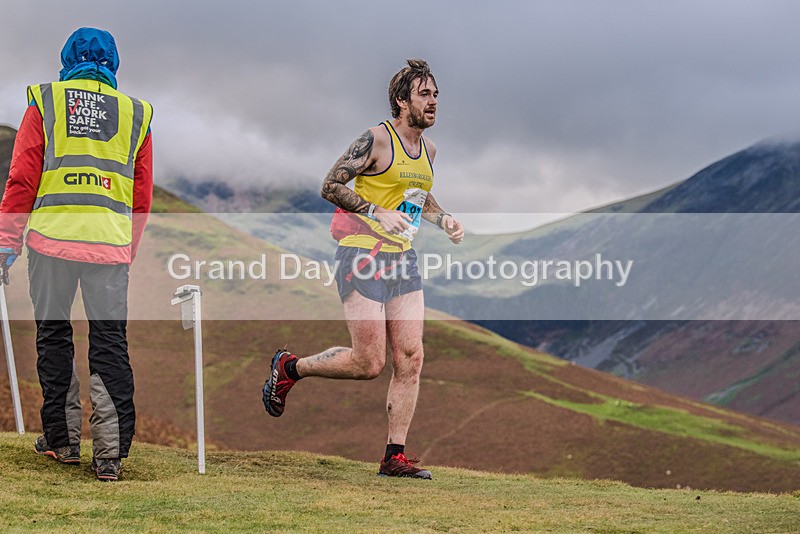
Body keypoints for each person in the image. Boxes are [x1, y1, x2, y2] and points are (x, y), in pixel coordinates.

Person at [263, 59, 464, 479]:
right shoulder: (375, 139)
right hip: (361, 253)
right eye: (424, 94)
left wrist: (443, 218)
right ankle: (290, 367)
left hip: (402, 258)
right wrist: (375, 211)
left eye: (436, 95)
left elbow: (419, 196)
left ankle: (395, 456)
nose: (433, 102)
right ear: (401, 100)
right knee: (368, 362)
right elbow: (330, 184)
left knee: (411, 357)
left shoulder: (429, 150)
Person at [0, 28, 153, 482]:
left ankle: (63, 441)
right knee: (110, 342)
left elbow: (22, 178)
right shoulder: (135, 113)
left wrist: (6, 242)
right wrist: (129, 248)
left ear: (67, 59)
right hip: (109, 244)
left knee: (53, 336)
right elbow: (140, 196)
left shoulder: (45, 101)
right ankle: (109, 455)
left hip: (50, 241)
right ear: (114, 64)